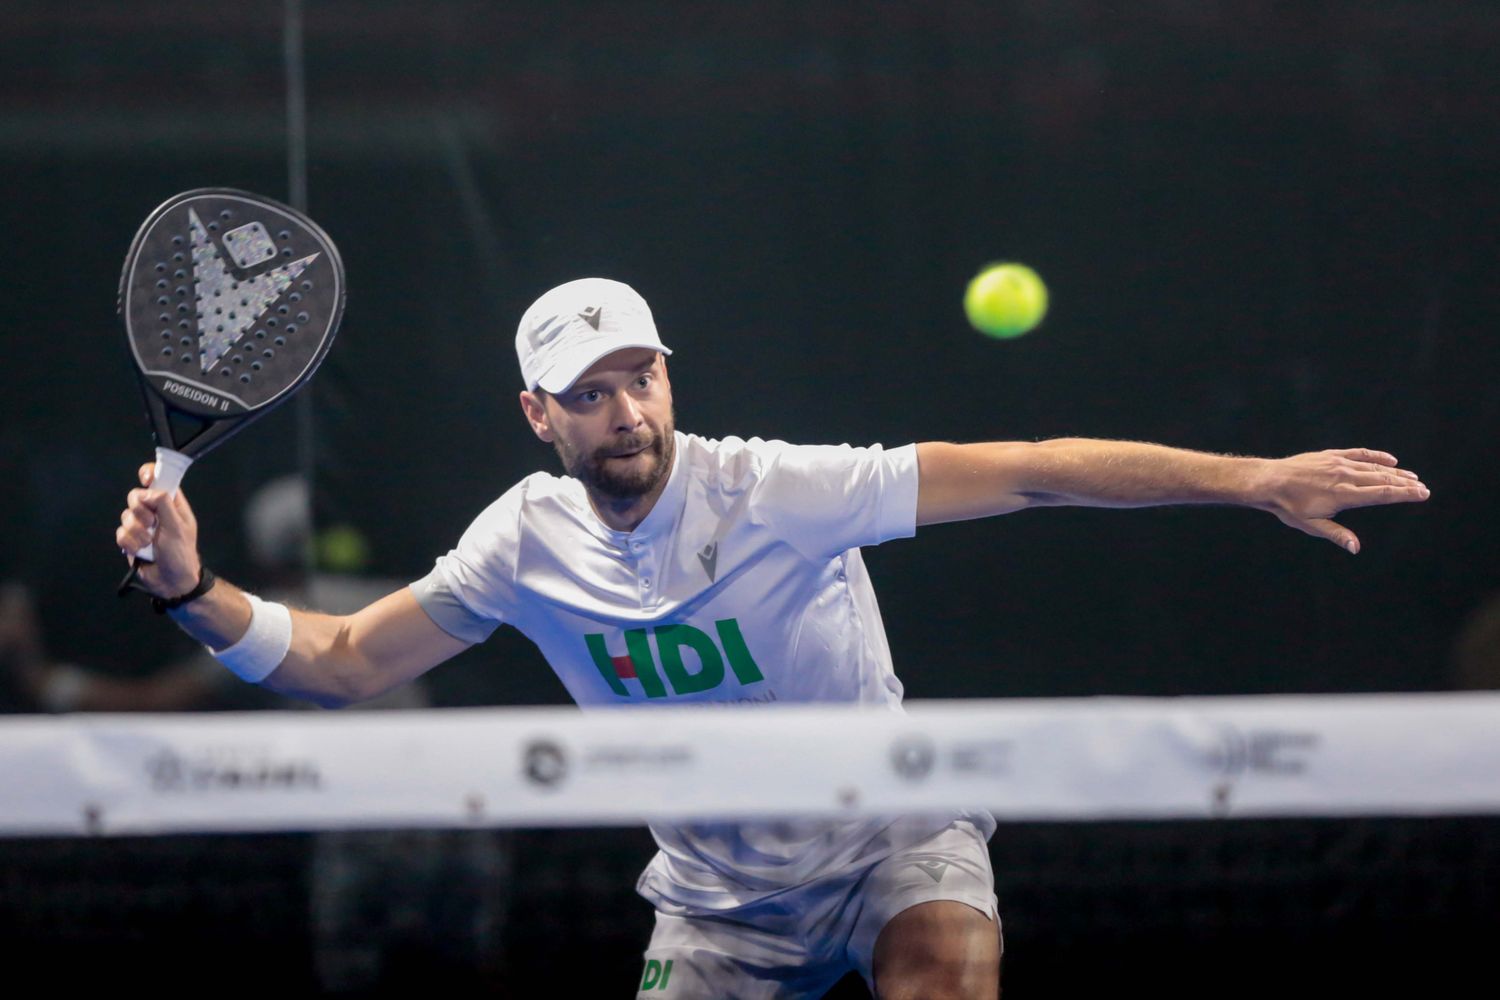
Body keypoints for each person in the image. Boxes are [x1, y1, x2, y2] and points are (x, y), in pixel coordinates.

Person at [115, 277, 1430, 998]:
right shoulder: (521, 542)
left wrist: (1252, 477)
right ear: (540, 415)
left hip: (891, 841)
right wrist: (191, 590)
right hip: (718, 905)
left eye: (644, 375)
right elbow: (344, 663)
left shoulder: (774, 489)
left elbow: (1029, 468)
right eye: (591, 391)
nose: (627, 408)